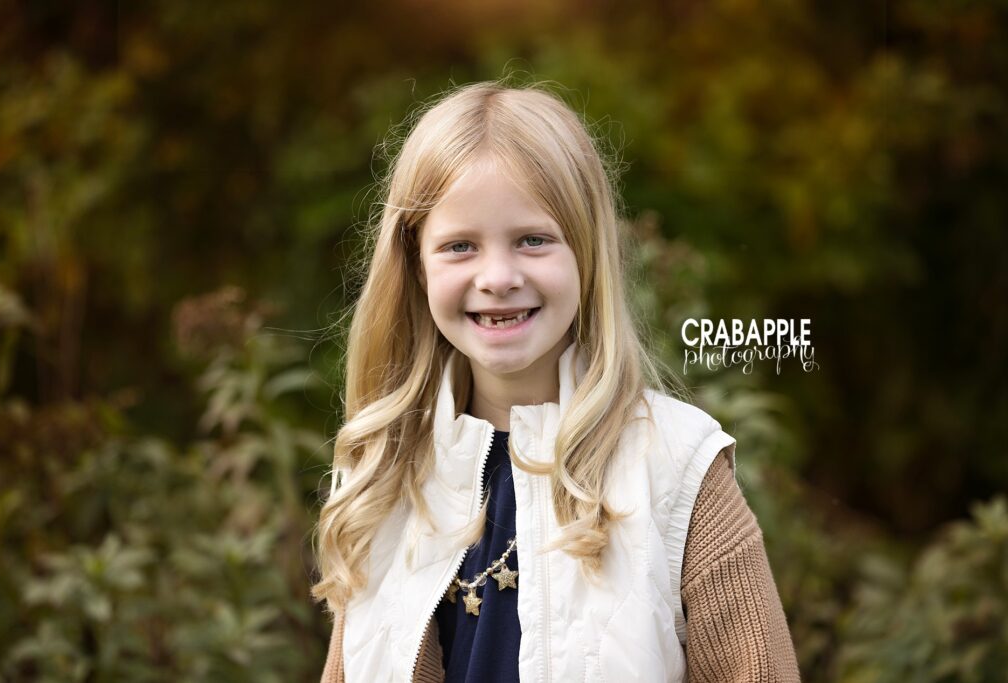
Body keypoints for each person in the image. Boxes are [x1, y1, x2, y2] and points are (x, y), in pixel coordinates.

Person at [312, 80, 800, 682]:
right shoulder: (383, 471)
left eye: (533, 240)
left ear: (586, 254)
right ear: (415, 265)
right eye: (460, 246)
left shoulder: (676, 468)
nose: (497, 277)